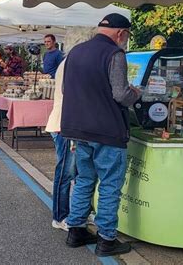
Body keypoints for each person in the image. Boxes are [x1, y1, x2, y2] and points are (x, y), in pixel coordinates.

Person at [62, 13, 141, 257]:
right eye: (126, 36)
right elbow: (120, 94)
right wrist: (136, 93)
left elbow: (66, 89)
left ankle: (75, 230)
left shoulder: (75, 51)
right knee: (109, 185)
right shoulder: (115, 54)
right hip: (107, 130)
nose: (125, 40)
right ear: (121, 33)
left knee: (84, 180)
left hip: (77, 127)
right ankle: (107, 239)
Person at [46, 27, 97, 232]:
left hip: (66, 124)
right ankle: (61, 216)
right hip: (66, 126)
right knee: (67, 172)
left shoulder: (68, 62)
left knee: (77, 172)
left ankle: (78, 212)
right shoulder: (73, 64)